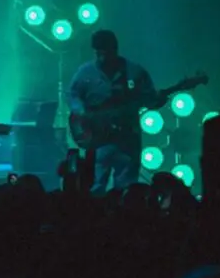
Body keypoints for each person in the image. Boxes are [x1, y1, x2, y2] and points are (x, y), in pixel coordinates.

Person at [66, 29, 155, 193]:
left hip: (127, 138)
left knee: (127, 187)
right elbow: (72, 94)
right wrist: (81, 111)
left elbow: (151, 99)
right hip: (97, 139)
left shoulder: (135, 72)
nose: (101, 57)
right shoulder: (85, 72)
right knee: (95, 187)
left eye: (105, 52)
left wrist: (157, 100)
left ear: (115, 49)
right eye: (98, 53)